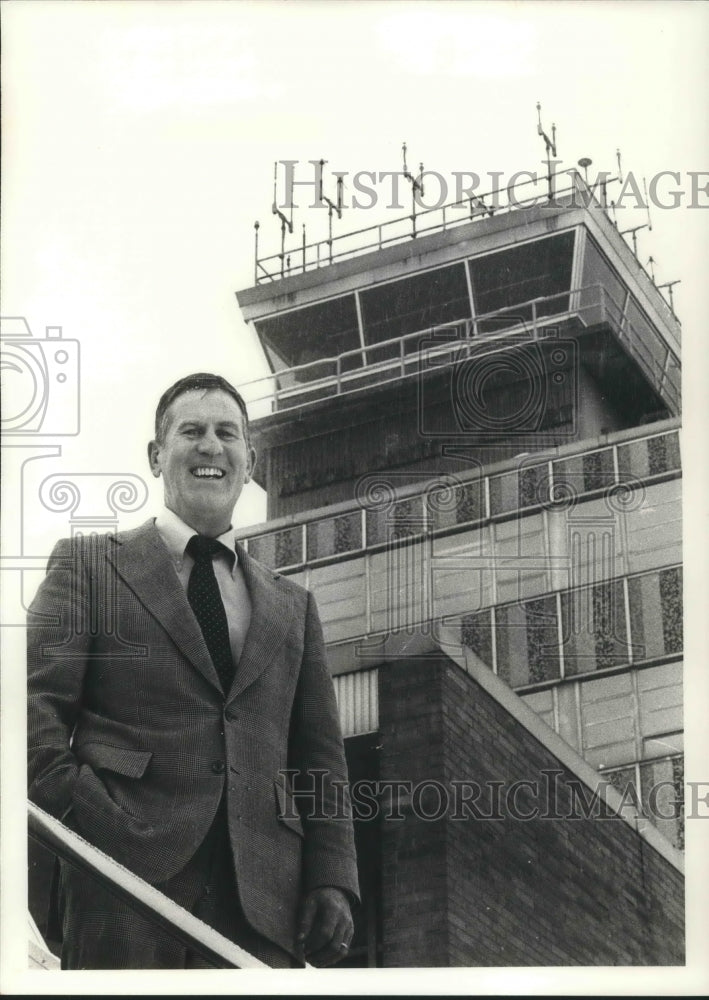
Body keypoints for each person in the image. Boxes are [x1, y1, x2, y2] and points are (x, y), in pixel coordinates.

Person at [27, 372, 359, 969]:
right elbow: (32, 719)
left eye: (227, 433)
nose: (211, 445)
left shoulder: (293, 606)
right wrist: (87, 824)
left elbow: (321, 760)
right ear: (157, 456)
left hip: (260, 906)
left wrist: (333, 879)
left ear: (250, 460)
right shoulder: (89, 566)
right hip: (120, 883)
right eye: (192, 431)